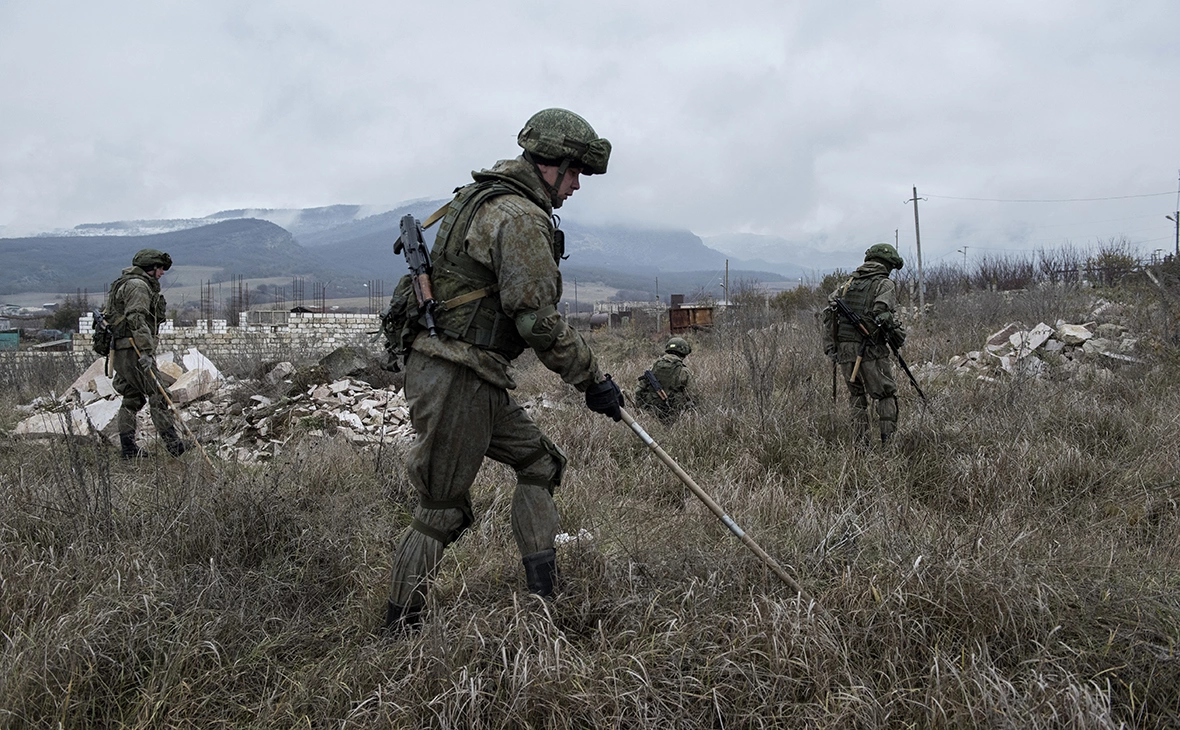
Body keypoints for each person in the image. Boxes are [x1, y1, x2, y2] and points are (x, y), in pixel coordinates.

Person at [383, 108, 623, 632]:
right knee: (441, 509)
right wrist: (593, 379)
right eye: (575, 172)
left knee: (541, 465)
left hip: (477, 375)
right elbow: (536, 321)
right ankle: (396, 632)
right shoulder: (518, 217)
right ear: (551, 164)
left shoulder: (481, 199)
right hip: (457, 377)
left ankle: (543, 602)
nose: (577, 185)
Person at [103, 248, 186, 458]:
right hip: (133, 350)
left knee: (132, 398)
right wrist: (146, 351)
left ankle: (129, 449)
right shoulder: (138, 286)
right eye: (160, 269)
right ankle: (174, 446)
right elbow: (137, 319)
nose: (162, 273)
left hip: (123, 349)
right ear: (151, 268)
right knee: (158, 394)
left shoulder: (127, 283)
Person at [822, 243, 907, 444]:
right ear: (887, 265)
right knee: (885, 394)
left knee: (857, 397)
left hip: (844, 351)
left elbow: (829, 318)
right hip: (869, 349)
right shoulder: (884, 285)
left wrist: (832, 348)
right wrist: (896, 336)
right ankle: (889, 445)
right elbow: (882, 315)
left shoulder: (846, 286)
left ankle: (861, 446)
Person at [634, 336, 694, 421]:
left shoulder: (653, 366)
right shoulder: (684, 371)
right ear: (684, 353)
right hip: (674, 416)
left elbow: (639, 390)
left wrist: (640, 410)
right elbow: (692, 396)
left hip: (651, 414)